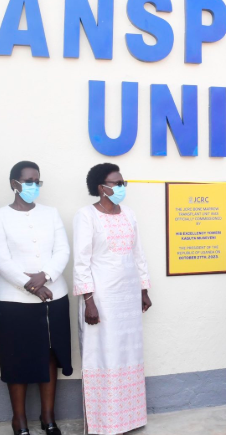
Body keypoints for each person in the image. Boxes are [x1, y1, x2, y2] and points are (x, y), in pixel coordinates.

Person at [0, 161, 73, 435]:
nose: (34, 186)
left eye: (37, 181)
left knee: (50, 354)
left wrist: (45, 276)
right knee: (17, 358)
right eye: (28, 181)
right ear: (14, 184)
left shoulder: (51, 213)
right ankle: (19, 420)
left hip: (53, 296)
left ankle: (48, 417)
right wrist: (30, 284)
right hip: (13, 301)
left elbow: (62, 250)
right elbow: (0, 259)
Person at [72, 163, 152, 435]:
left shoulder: (129, 214)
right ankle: (104, 423)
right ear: (101, 188)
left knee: (128, 353)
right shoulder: (86, 216)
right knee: (104, 355)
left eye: (123, 183)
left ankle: (129, 419)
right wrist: (88, 301)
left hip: (128, 298)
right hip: (102, 298)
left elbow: (138, 254)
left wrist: (143, 289)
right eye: (117, 184)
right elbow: (81, 261)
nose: (122, 187)